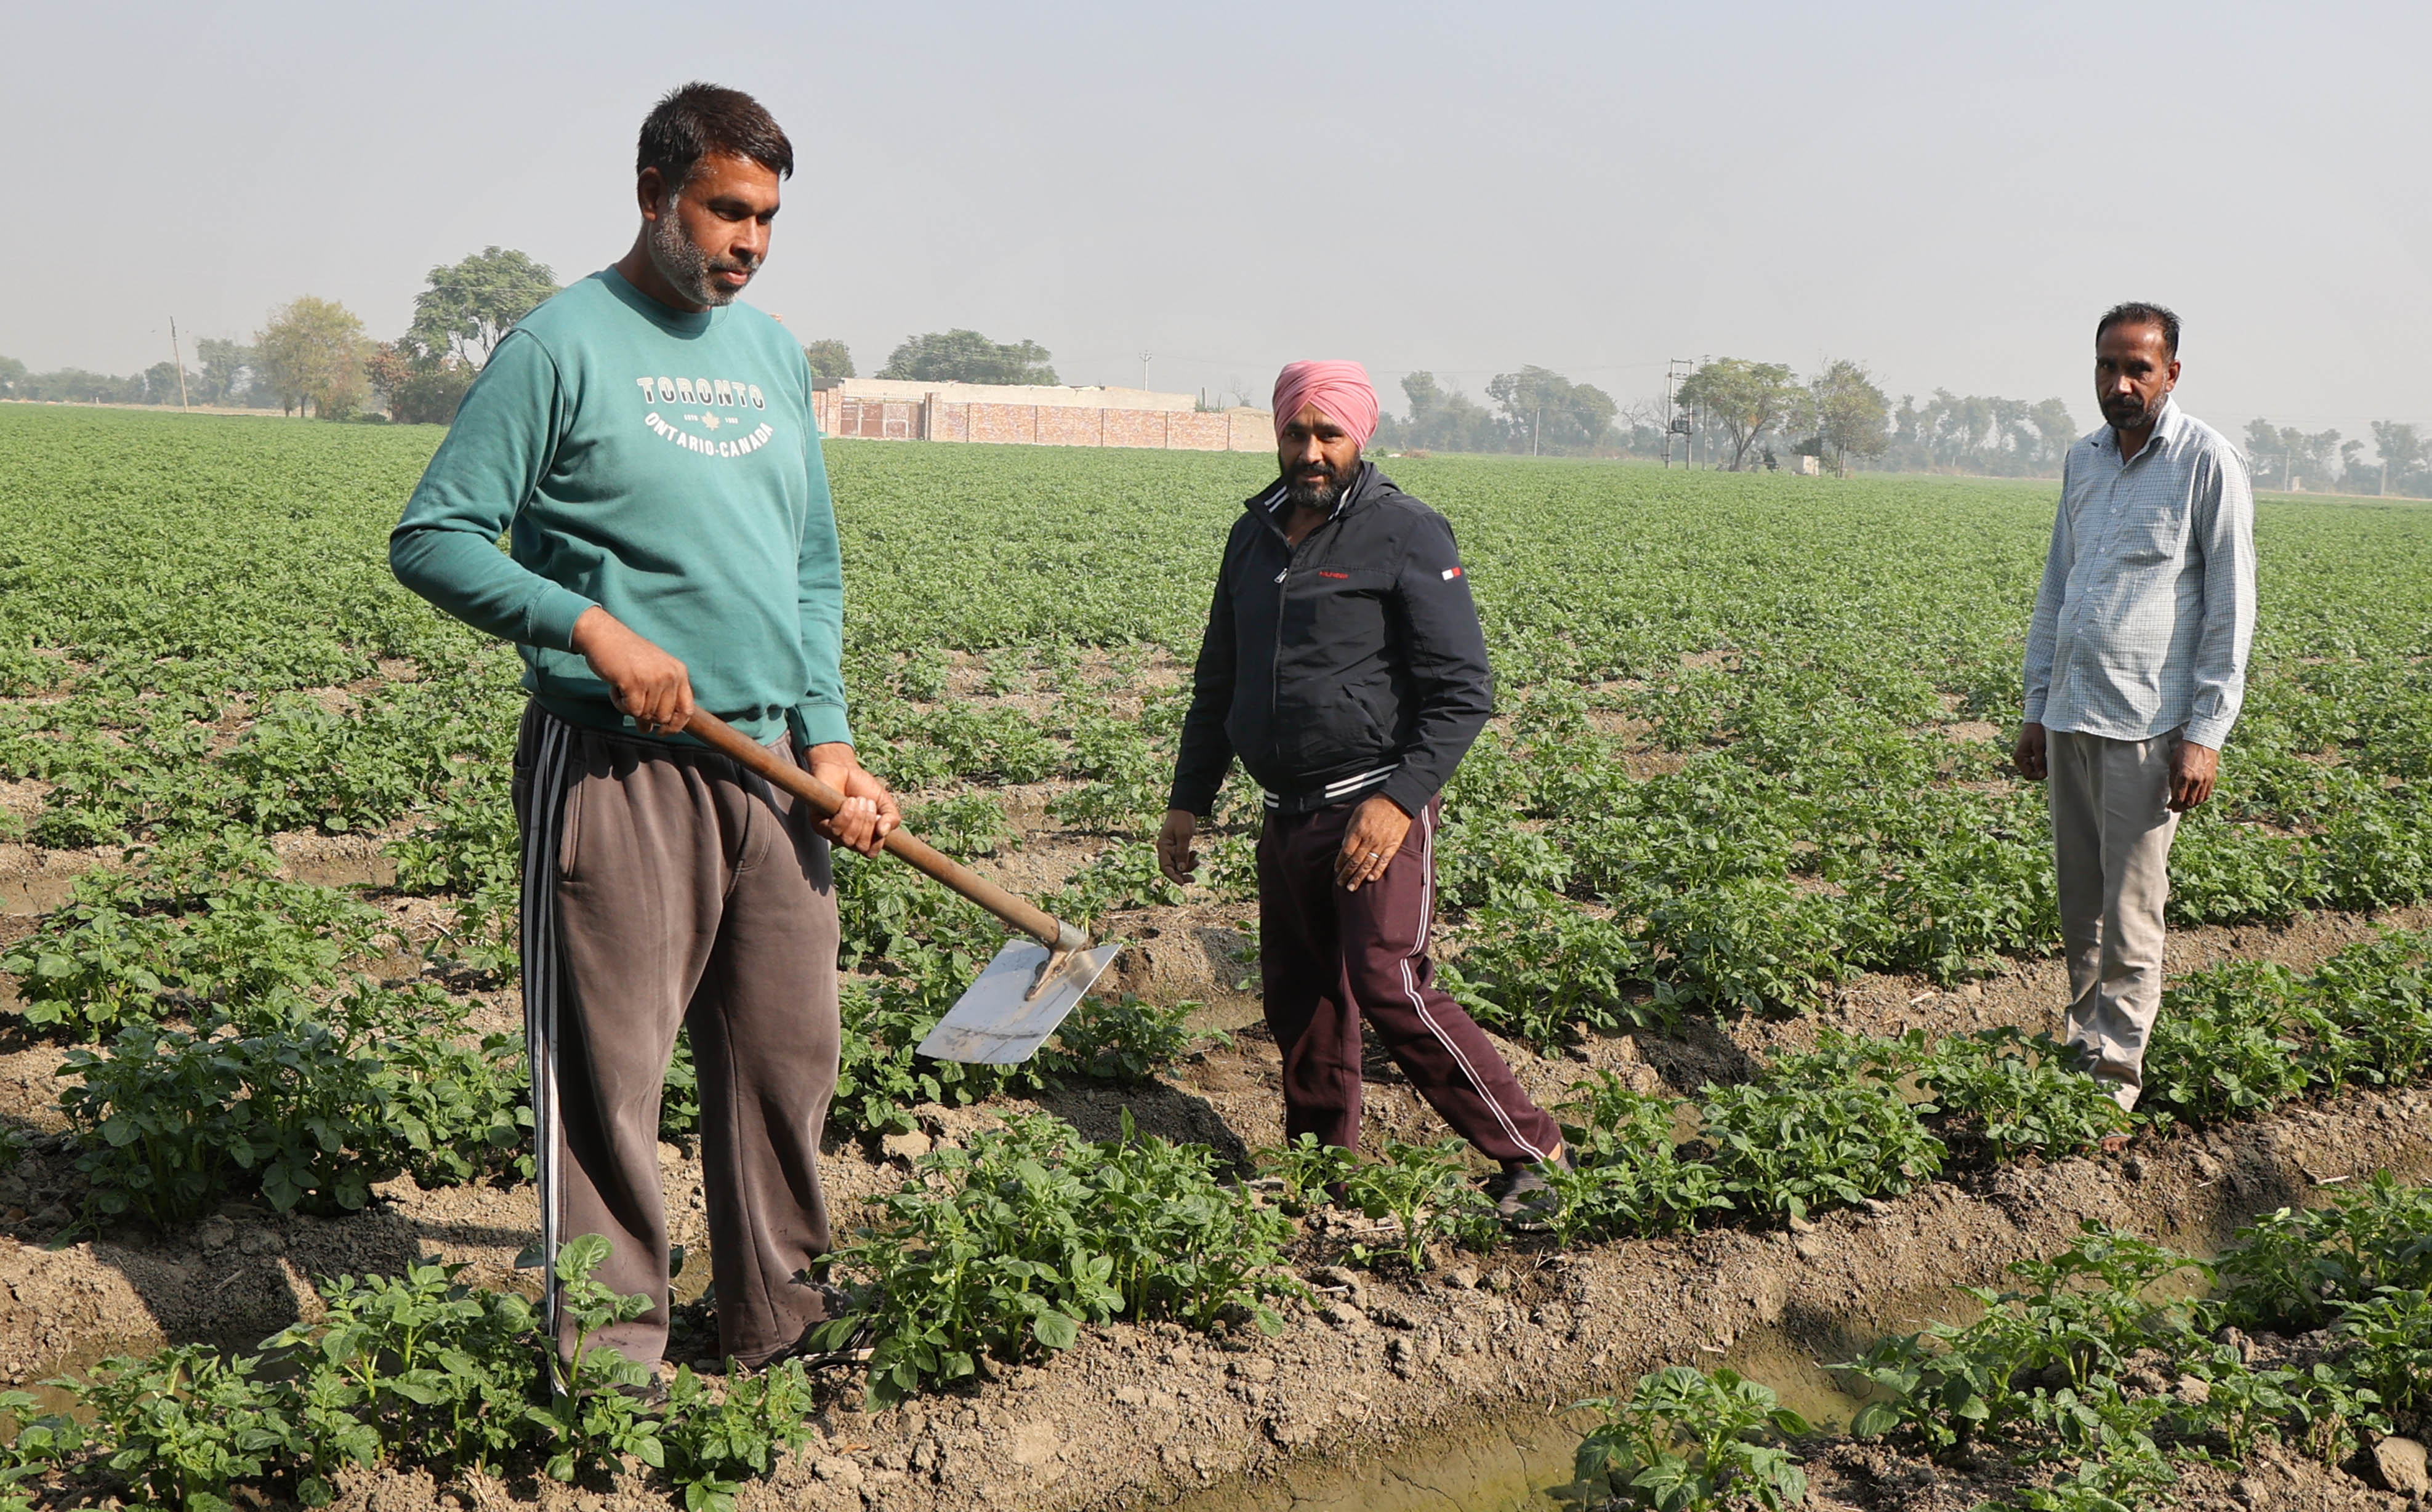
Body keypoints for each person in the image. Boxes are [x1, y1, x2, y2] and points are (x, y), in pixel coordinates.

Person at [389, 82, 900, 1383]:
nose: (749, 241)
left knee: (786, 1061)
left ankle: (779, 1327)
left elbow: (813, 567)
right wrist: (586, 628)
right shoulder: (560, 345)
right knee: (607, 1085)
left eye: (768, 217)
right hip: (617, 773)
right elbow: (434, 537)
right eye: (728, 210)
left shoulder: (773, 352)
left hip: (773, 767)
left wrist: (829, 740)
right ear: (654, 193)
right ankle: (612, 1373)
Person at [1157, 361, 1567, 1216]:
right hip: (1285, 809)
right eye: (1293, 434)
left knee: (1388, 981)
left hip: (1372, 802)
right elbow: (1218, 676)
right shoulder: (1255, 533)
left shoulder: (1406, 532)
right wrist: (1187, 798)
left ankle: (1530, 1151)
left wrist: (1398, 799)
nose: (1308, 452)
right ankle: (1321, 1172)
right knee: (1299, 995)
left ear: (1358, 438)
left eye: (1326, 434)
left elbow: (1462, 691)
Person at [2014, 302, 2256, 1111]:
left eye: (2137, 369)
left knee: (2128, 915)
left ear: (2170, 373)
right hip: (2073, 714)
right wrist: (2035, 705)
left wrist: (2206, 735)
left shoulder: (2203, 462)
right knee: (2079, 906)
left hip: (2147, 729)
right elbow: (2057, 588)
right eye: (2105, 367)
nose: (2118, 384)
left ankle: (2110, 1086)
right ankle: (2083, 1054)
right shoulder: (2081, 461)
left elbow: (2229, 606)